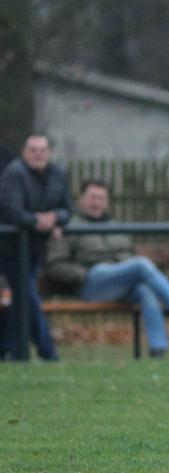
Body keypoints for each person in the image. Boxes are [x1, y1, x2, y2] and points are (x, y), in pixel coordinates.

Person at [44, 179, 169, 357]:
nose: (97, 203)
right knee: (141, 264)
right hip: (92, 283)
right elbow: (55, 264)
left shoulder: (116, 226)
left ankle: (159, 350)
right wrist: (83, 275)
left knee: (144, 290)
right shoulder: (68, 227)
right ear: (81, 199)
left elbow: (129, 255)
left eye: (101, 198)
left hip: (120, 283)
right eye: (92, 197)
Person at [0, 135, 71, 361]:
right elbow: (12, 210)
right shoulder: (13, 173)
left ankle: (9, 350)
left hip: (35, 249)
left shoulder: (57, 174)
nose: (37, 154)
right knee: (27, 295)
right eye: (32, 149)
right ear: (24, 152)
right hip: (10, 249)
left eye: (42, 149)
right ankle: (48, 352)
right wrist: (37, 221)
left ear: (49, 152)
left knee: (23, 299)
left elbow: (66, 209)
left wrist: (55, 218)